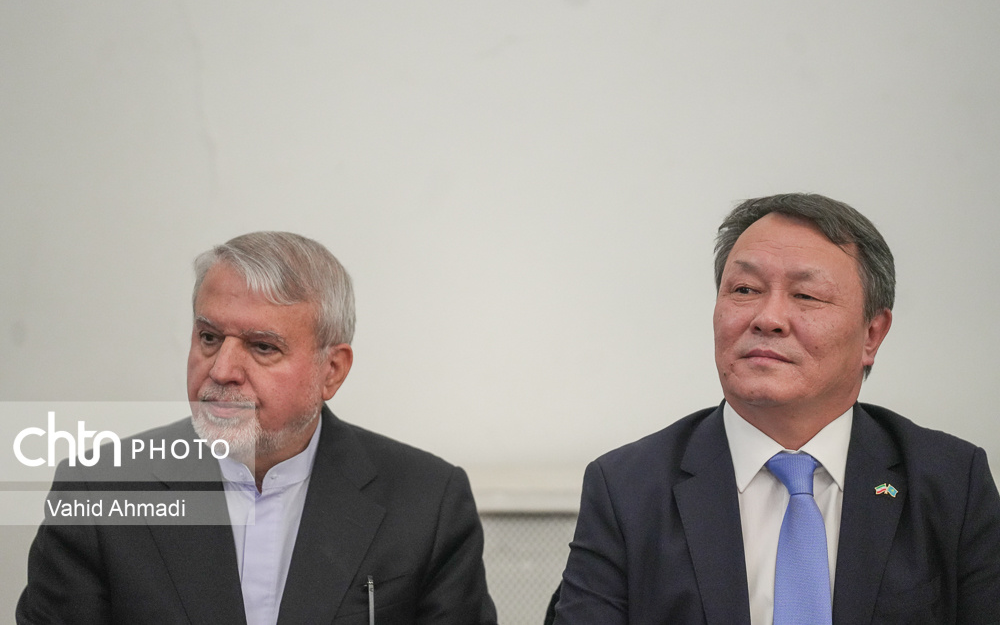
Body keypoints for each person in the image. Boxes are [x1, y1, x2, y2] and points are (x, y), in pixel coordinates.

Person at [552, 193, 1000, 624]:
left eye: (806, 296)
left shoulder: (950, 483)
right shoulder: (627, 488)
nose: (768, 318)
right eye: (745, 289)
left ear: (872, 334)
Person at [18, 231, 497, 624]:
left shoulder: (427, 503)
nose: (221, 369)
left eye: (262, 347)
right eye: (209, 337)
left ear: (331, 371)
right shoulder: (102, 490)